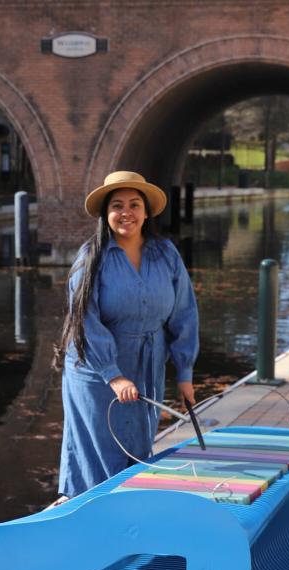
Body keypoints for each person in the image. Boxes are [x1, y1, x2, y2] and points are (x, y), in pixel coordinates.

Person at [52, 171, 199, 502]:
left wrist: (185, 373)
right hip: (95, 369)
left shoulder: (166, 254)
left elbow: (184, 313)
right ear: (107, 214)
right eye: (117, 206)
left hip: (147, 362)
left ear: (146, 212)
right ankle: (89, 513)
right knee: (100, 454)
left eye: (135, 205)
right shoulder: (91, 258)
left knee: (137, 443)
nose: (126, 213)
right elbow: (84, 321)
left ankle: (129, 515)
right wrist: (113, 375)